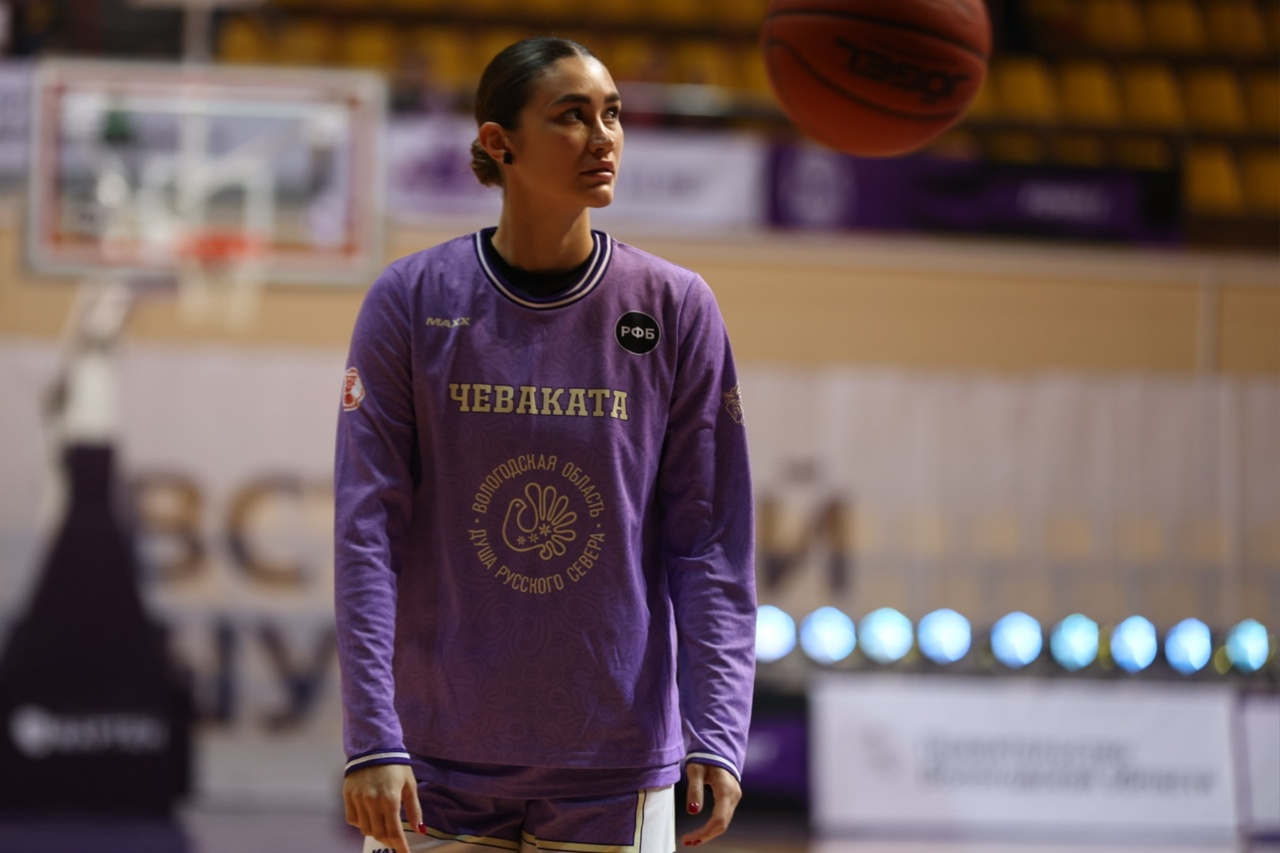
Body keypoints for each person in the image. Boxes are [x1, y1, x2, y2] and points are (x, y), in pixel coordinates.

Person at [334, 36, 756, 853]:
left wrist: (717, 725)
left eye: (613, 115)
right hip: (433, 753)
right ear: (500, 142)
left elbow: (709, 540)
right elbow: (366, 531)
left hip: (616, 760)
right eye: (571, 116)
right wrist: (372, 734)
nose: (604, 137)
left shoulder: (676, 307)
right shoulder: (409, 300)